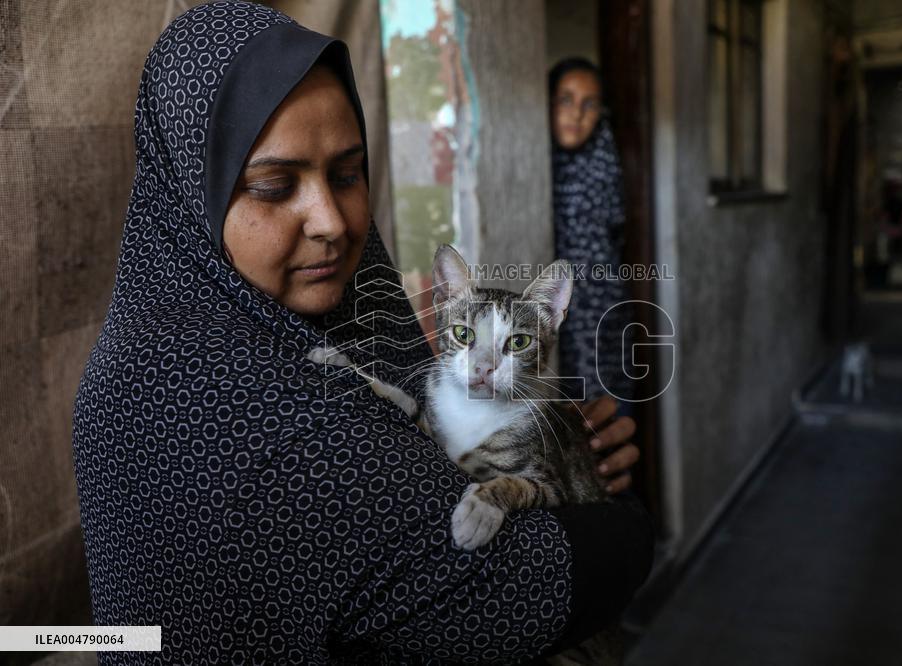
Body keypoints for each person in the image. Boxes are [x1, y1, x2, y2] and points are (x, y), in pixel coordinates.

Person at [72, 3, 652, 663]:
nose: (332, 221)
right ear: (189, 192)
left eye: (348, 173)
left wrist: (564, 455)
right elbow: (527, 592)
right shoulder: (269, 424)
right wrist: (620, 518)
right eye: (272, 185)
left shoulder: (131, 362)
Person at [549, 58, 635, 411]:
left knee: (610, 411)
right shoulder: (539, 162)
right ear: (549, 104)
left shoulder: (605, 157)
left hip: (604, 308)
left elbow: (616, 228)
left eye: (589, 104)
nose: (577, 114)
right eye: (566, 100)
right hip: (557, 310)